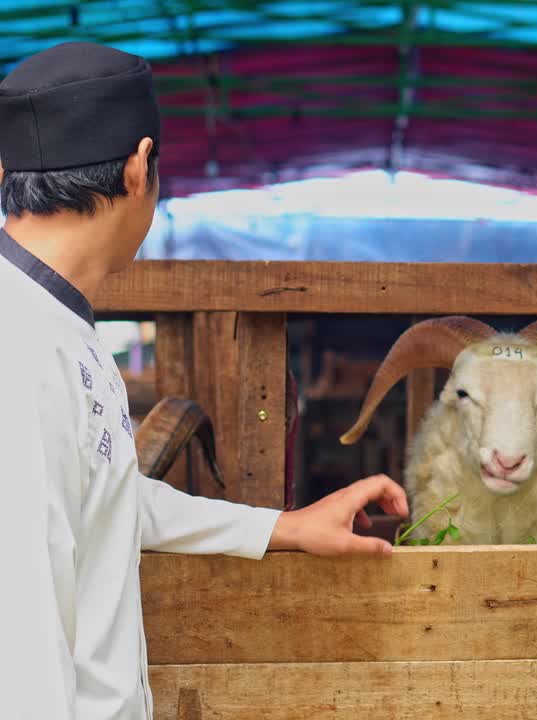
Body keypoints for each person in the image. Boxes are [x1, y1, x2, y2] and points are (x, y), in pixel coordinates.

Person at [0, 42, 409, 719]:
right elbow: (21, 644)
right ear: (138, 169)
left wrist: (284, 528)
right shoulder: (22, 346)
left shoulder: (55, 320)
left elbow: (105, 498)